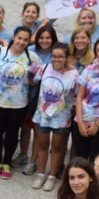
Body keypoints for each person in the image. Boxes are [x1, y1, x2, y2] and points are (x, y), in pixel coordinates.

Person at [0, 26, 41, 179]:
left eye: (25, 40)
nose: (22, 42)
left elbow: (38, 77)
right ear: (13, 37)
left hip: (19, 104)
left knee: (12, 134)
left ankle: (7, 162)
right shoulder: (0, 52)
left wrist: (29, 82)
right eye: (19, 38)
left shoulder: (32, 57)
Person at [31, 43, 79, 189]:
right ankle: (40, 175)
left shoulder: (74, 74)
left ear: (66, 58)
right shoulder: (44, 68)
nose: (57, 59)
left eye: (60, 56)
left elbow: (77, 96)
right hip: (42, 115)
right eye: (54, 56)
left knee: (57, 148)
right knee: (42, 145)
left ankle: (52, 176)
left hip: (61, 117)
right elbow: (33, 81)